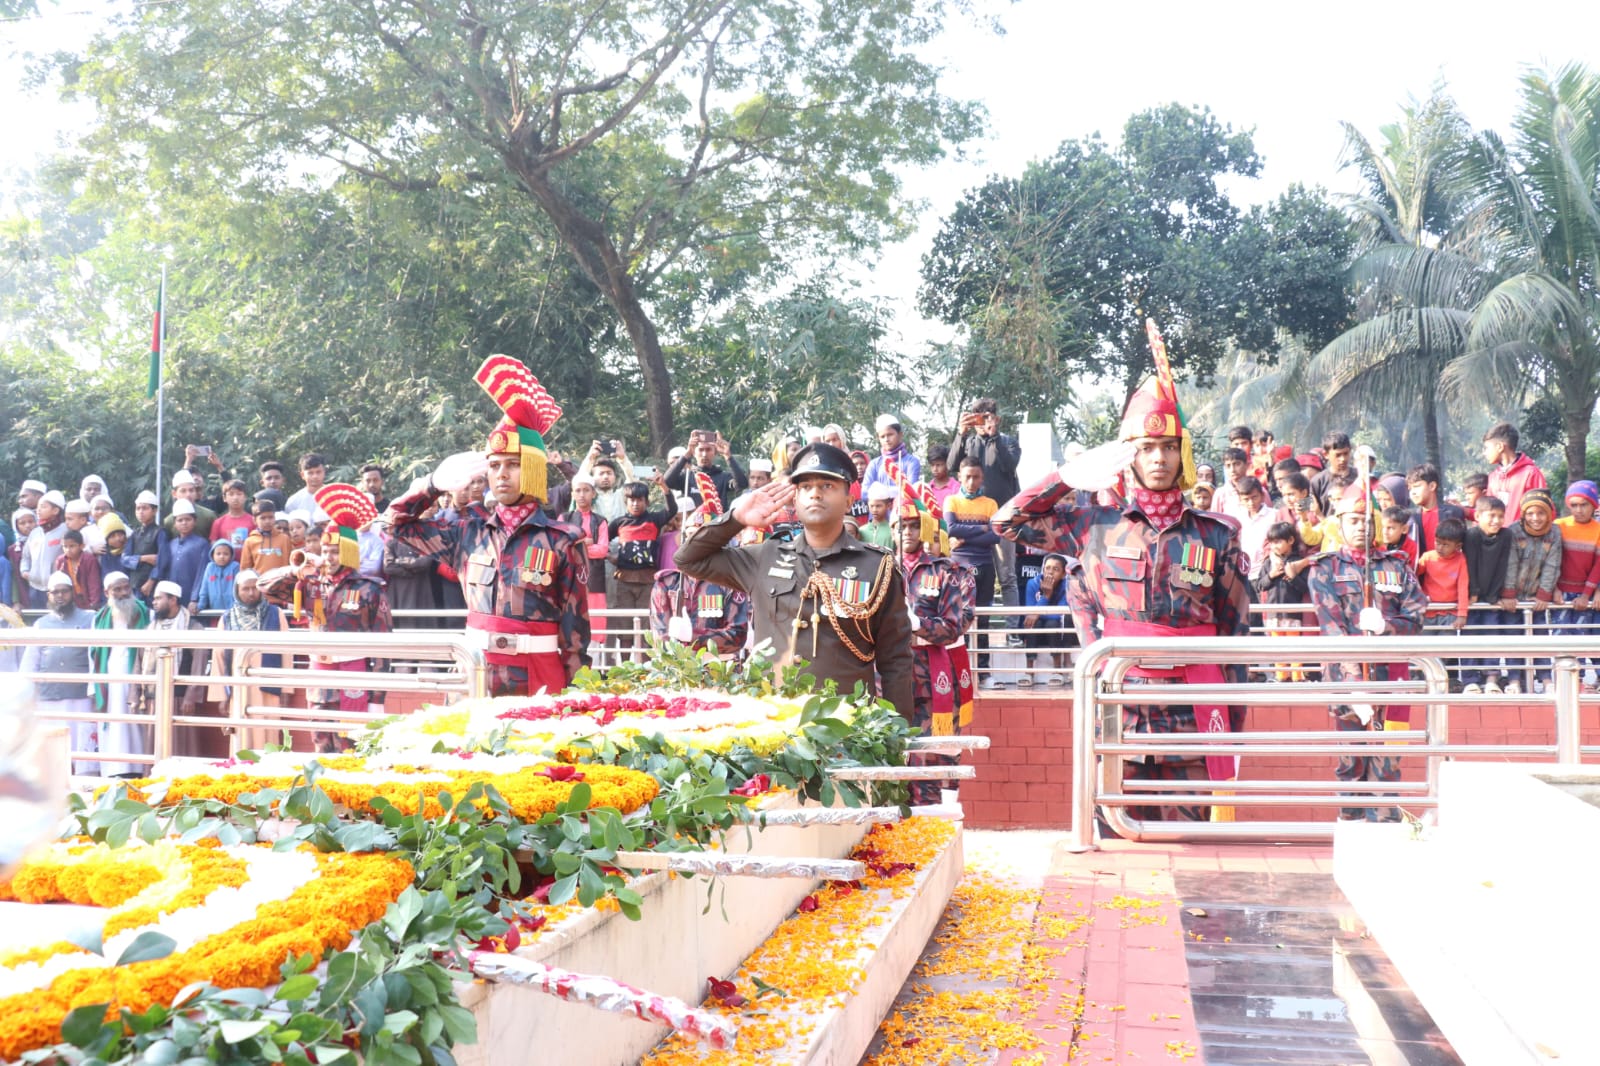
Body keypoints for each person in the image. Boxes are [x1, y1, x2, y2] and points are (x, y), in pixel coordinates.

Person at [993, 326, 1252, 823]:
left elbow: (1235, 632)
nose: (1158, 458)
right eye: (1146, 447)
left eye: (1169, 447)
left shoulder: (1218, 535)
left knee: (1191, 842)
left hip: (1191, 712)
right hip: (1120, 704)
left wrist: (1232, 726)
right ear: (1128, 455)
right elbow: (1006, 522)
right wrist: (1063, 479)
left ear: (1184, 454)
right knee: (1116, 840)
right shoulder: (1092, 525)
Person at [387, 355, 591, 696]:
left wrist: (577, 696)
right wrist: (432, 484)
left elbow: (576, 633)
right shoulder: (469, 533)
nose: (501, 474)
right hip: (475, 674)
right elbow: (396, 525)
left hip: (537, 677)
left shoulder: (563, 541)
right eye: (494, 465)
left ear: (535, 469)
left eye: (513, 464)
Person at [675, 442, 915, 715]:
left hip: (847, 726)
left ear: (849, 501)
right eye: (805, 487)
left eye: (827, 486)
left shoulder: (877, 567)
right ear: (795, 500)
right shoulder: (764, 557)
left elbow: (895, 660)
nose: (815, 494)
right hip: (773, 724)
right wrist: (737, 518)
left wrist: (899, 735)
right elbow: (688, 559)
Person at [1305, 485, 1427, 821]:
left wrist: (1387, 625)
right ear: (1340, 524)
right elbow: (1331, 627)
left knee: (1388, 760)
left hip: (1391, 678)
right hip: (1347, 684)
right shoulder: (1325, 568)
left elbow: (1417, 614)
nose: (1362, 526)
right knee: (1351, 760)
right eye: (1354, 520)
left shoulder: (1396, 566)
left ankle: (1385, 826)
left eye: (1367, 520)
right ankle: (1352, 824)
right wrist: (1355, 681)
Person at [279, 485, 392, 752]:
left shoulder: (370, 589)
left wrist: (377, 697)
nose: (328, 557)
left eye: (335, 551)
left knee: (352, 747)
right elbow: (265, 587)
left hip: (355, 674)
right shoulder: (310, 583)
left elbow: (385, 648)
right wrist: (296, 570)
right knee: (321, 743)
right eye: (326, 551)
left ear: (350, 552)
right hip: (320, 674)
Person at [20, 573, 98, 774]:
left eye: (64, 591)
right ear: (49, 596)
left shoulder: (90, 618)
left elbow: (97, 656)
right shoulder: (41, 624)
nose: (60, 596)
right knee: (52, 751)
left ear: (73, 592)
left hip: (81, 696)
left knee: (81, 751)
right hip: (49, 696)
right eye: (55, 592)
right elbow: (30, 663)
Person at [649, 510, 751, 656]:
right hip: (678, 670)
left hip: (719, 671)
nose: (696, 544)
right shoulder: (666, 584)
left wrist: (693, 637)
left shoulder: (730, 584)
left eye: (704, 538)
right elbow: (660, 636)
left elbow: (737, 636)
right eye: (691, 536)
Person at [1497, 488, 1561, 694]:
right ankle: (1515, 679)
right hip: (1513, 597)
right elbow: (1510, 564)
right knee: (1513, 636)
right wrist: (1508, 594)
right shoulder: (1514, 531)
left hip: (1536, 595)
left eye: (1541, 513)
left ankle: (1545, 679)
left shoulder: (1555, 532)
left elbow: (1553, 564)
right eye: (1530, 513)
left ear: (1549, 514)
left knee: (1540, 635)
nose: (1536, 518)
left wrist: (1544, 593)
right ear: (1523, 514)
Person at [216, 569, 286, 751]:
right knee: (241, 735)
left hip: (268, 687)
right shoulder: (227, 618)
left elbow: (287, 653)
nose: (250, 593)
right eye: (244, 589)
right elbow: (219, 658)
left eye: (254, 588)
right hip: (239, 686)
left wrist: (286, 689)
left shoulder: (275, 614)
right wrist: (221, 696)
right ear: (236, 591)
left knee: (268, 735)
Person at [90, 571, 151, 776]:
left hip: (135, 675)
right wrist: (93, 687)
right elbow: (94, 655)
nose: (124, 592)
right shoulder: (99, 618)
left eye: (127, 587)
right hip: (108, 676)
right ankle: (114, 770)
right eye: (118, 589)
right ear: (107, 592)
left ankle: (136, 768)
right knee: (113, 724)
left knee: (133, 723)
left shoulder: (144, 613)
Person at [946, 457, 1002, 678]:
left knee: (983, 617)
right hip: (958, 566)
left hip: (985, 565)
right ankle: (961, 671)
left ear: (982, 478)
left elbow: (996, 536)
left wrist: (966, 534)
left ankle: (984, 671)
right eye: (967, 476)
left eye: (976, 477)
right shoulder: (952, 501)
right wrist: (982, 529)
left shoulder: (990, 504)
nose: (971, 481)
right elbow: (950, 528)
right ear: (959, 476)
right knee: (960, 618)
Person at [1461, 496, 1514, 694]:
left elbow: (1503, 565)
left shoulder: (1506, 535)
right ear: (1477, 516)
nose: (1496, 521)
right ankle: (1470, 680)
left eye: (1501, 516)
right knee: (1470, 636)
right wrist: (1473, 592)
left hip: (1493, 596)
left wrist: (1494, 595)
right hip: (1472, 596)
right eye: (1491, 516)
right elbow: (1470, 565)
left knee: (1492, 634)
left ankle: (1492, 677)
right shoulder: (1472, 535)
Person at [1554, 482, 1600, 686]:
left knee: (1587, 635)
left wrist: (1588, 593)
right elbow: (1551, 561)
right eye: (1574, 505)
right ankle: (1571, 682)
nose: (1579, 510)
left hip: (1587, 593)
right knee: (1561, 636)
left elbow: (1598, 565)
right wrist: (1553, 589)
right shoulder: (1559, 526)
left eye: (1584, 504)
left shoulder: (1598, 530)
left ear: (1594, 505)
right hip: (1561, 593)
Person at [1020, 552, 1071, 687]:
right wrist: (1045, 598)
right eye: (1047, 568)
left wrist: (1040, 609)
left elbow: (1059, 614)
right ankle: (1029, 672)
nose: (1050, 572)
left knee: (1052, 623)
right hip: (1037, 630)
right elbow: (1029, 614)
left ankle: (1057, 671)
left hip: (1056, 631)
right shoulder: (1033, 583)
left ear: (1063, 574)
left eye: (1056, 569)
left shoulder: (1067, 586)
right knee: (1032, 624)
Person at [663, 431, 747, 510]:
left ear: (715, 453)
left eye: (708, 450)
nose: (704, 454)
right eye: (700, 450)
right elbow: (666, 482)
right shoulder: (687, 476)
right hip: (693, 524)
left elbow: (742, 484)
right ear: (694, 453)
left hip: (718, 524)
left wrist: (727, 455)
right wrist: (687, 453)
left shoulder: (724, 477)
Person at [1483, 421, 1547, 521]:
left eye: (1486, 448)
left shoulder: (1531, 474)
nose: (1485, 453)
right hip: (1499, 536)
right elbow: (1487, 511)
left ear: (1500, 447)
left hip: (1523, 536)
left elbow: (1544, 509)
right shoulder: (1493, 477)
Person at [1416, 517, 1470, 634]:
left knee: (1446, 648)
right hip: (1429, 610)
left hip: (1450, 611)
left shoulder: (1461, 560)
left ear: (1458, 546)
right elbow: (1414, 577)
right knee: (1425, 647)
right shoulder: (1428, 557)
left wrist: (1462, 614)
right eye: (1437, 542)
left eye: (1445, 545)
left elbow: (1463, 587)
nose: (1440, 547)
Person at [154, 499, 210, 606]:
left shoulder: (202, 544)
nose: (184, 523)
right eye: (180, 520)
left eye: (188, 519)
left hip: (191, 597)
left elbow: (202, 573)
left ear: (195, 521)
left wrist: (194, 598)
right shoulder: (170, 545)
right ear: (174, 524)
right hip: (172, 597)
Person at [1405, 463, 1466, 553]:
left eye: (1417, 486)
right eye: (1410, 489)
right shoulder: (1411, 518)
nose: (1413, 492)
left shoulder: (1453, 513)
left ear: (1432, 486)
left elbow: (1463, 546)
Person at [21, 490, 67, 609]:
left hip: (57, 589)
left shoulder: (65, 531)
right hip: (34, 588)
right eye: (38, 507)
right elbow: (25, 557)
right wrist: (25, 571)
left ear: (56, 511)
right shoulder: (35, 532)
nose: (38, 510)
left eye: (43, 507)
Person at [862, 413, 921, 494]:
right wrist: (896, 491)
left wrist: (881, 491)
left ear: (900, 435)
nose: (886, 439)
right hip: (877, 507)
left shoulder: (912, 462)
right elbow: (864, 493)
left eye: (890, 435)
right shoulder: (874, 464)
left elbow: (911, 492)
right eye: (882, 436)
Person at [239, 496, 293, 575]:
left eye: (271, 517)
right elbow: (245, 569)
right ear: (254, 520)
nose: (267, 521)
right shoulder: (250, 541)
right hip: (259, 584)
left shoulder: (284, 538)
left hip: (282, 583)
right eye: (263, 518)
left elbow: (291, 563)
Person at [52, 529, 103, 611]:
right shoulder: (61, 560)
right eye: (65, 546)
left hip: (87, 598)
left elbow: (94, 583)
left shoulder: (89, 560)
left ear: (82, 546)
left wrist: (94, 604)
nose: (68, 550)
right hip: (71, 599)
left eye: (72, 546)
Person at [126, 491, 164, 600]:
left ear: (154, 510)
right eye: (138, 508)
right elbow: (124, 559)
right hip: (134, 585)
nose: (140, 512)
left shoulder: (160, 532)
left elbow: (162, 562)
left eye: (145, 508)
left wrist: (151, 581)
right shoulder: (135, 534)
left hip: (151, 587)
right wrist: (143, 558)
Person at [164, 471, 218, 540]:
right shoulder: (168, 521)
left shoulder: (209, 516)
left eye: (191, 490)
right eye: (183, 491)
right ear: (174, 494)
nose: (188, 495)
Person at [195, 539, 240, 614]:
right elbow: (204, 588)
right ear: (212, 555)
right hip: (214, 610)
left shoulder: (235, 567)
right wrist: (201, 605)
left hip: (233, 610)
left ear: (231, 555)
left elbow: (239, 588)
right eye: (218, 554)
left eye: (226, 554)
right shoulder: (210, 567)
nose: (222, 557)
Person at [285, 452, 328, 517]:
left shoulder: (336, 496)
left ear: (324, 472)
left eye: (318, 472)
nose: (315, 476)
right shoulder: (294, 502)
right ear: (302, 475)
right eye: (310, 473)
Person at [921, 444, 960, 513]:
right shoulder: (927, 489)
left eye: (938, 465)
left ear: (948, 464)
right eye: (932, 465)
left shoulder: (956, 488)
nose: (935, 469)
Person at [858, 483, 897, 548]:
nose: (874, 509)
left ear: (888, 506)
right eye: (871, 506)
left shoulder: (892, 531)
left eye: (878, 506)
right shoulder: (861, 531)